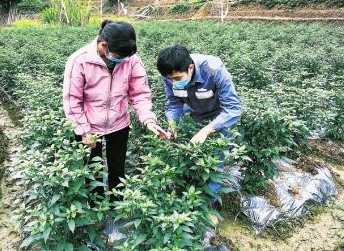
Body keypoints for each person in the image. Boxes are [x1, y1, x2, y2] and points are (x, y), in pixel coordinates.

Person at [63, 20, 168, 201]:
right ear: (103, 46)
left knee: (117, 169)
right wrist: (83, 131)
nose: (123, 61)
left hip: (119, 123)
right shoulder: (79, 60)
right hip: (89, 125)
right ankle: (96, 209)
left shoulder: (131, 60)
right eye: (119, 57)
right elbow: (72, 100)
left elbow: (140, 93)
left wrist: (148, 120)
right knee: (92, 170)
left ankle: (117, 207)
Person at [157, 45, 241, 202]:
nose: (173, 82)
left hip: (219, 116)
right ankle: (189, 195)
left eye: (177, 79)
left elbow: (232, 108)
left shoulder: (213, 69)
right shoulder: (170, 74)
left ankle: (208, 204)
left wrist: (206, 131)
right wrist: (173, 125)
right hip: (193, 113)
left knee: (215, 161)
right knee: (187, 153)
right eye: (170, 79)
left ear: (190, 68)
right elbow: (174, 103)